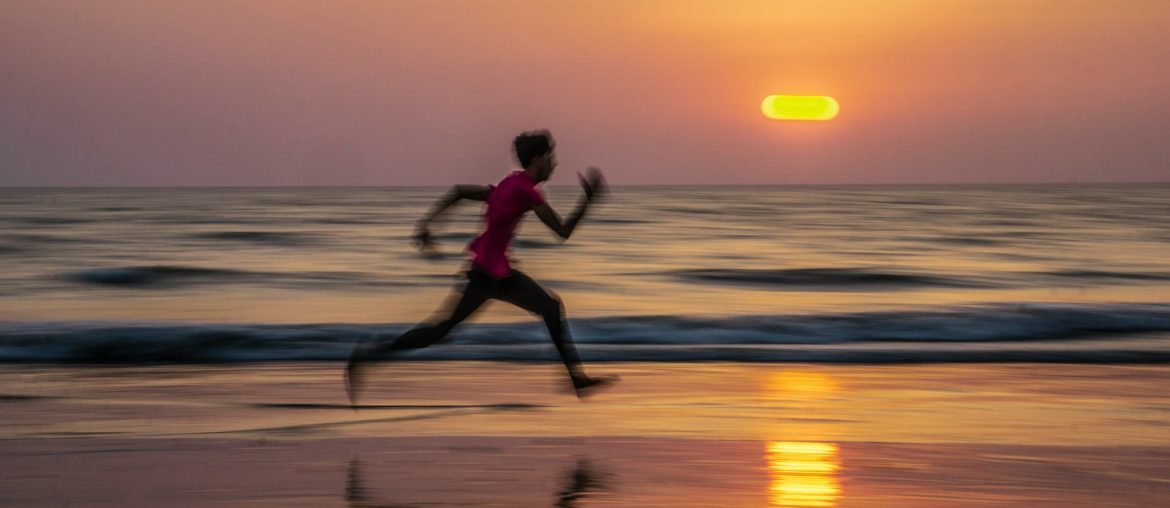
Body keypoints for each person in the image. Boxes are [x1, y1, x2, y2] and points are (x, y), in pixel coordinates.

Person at [346, 130, 617, 404]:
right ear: (537, 158)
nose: (555, 163)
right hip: (490, 274)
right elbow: (562, 231)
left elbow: (460, 192)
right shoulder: (527, 191)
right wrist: (588, 201)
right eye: (551, 156)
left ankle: (577, 380)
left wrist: (427, 224)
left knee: (540, 309)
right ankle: (369, 355)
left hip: (493, 271)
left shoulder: (510, 183)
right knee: (445, 328)